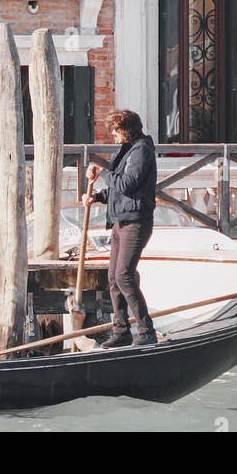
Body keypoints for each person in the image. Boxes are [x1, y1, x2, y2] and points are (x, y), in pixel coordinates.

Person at [83, 108, 158, 348]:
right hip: (119, 219)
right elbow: (118, 188)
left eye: (115, 130)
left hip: (136, 221)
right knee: (113, 278)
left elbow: (127, 184)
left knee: (124, 276)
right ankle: (122, 331)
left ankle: (146, 331)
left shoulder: (142, 150)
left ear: (126, 129)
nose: (113, 134)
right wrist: (97, 197)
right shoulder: (127, 150)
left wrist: (102, 171)